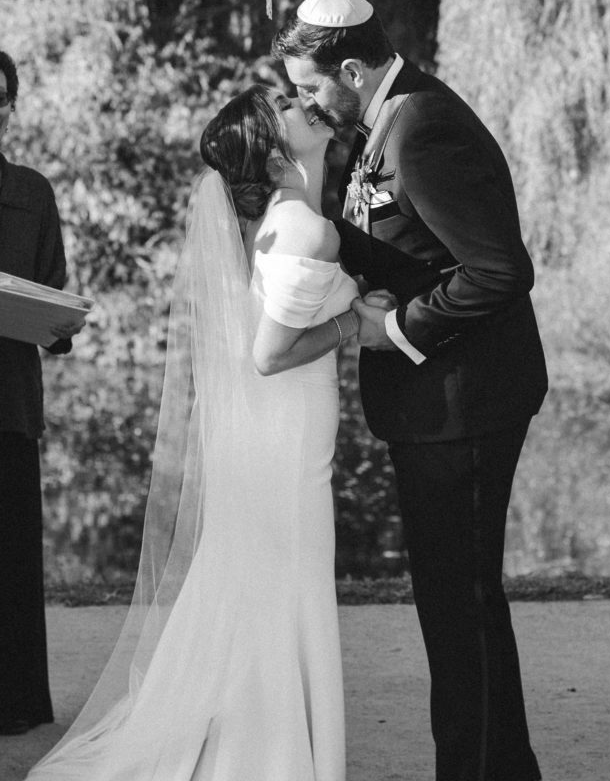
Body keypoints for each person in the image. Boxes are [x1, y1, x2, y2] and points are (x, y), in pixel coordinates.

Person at [26, 83, 394, 781]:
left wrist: (351, 299)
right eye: (286, 108)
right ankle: (274, 754)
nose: (302, 104)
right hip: (284, 429)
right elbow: (268, 352)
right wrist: (357, 324)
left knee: (264, 577)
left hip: (271, 429)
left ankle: (259, 740)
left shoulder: (287, 219)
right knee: (286, 577)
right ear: (277, 151)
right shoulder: (304, 226)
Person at [272, 0, 549, 781]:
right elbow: (411, 246)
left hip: (463, 401)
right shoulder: (384, 119)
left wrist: (389, 329)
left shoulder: (421, 126)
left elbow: (498, 270)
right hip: (436, 405)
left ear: (350, 70)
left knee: (458, 603)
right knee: (452, 601)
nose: (304, 101)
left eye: (309, 86)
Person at [0, 50, 83, 736]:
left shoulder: (32, 192)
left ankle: (16, 705)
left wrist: (58, 325)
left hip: (8, 405)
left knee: (12, 563)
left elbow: (57, 311)